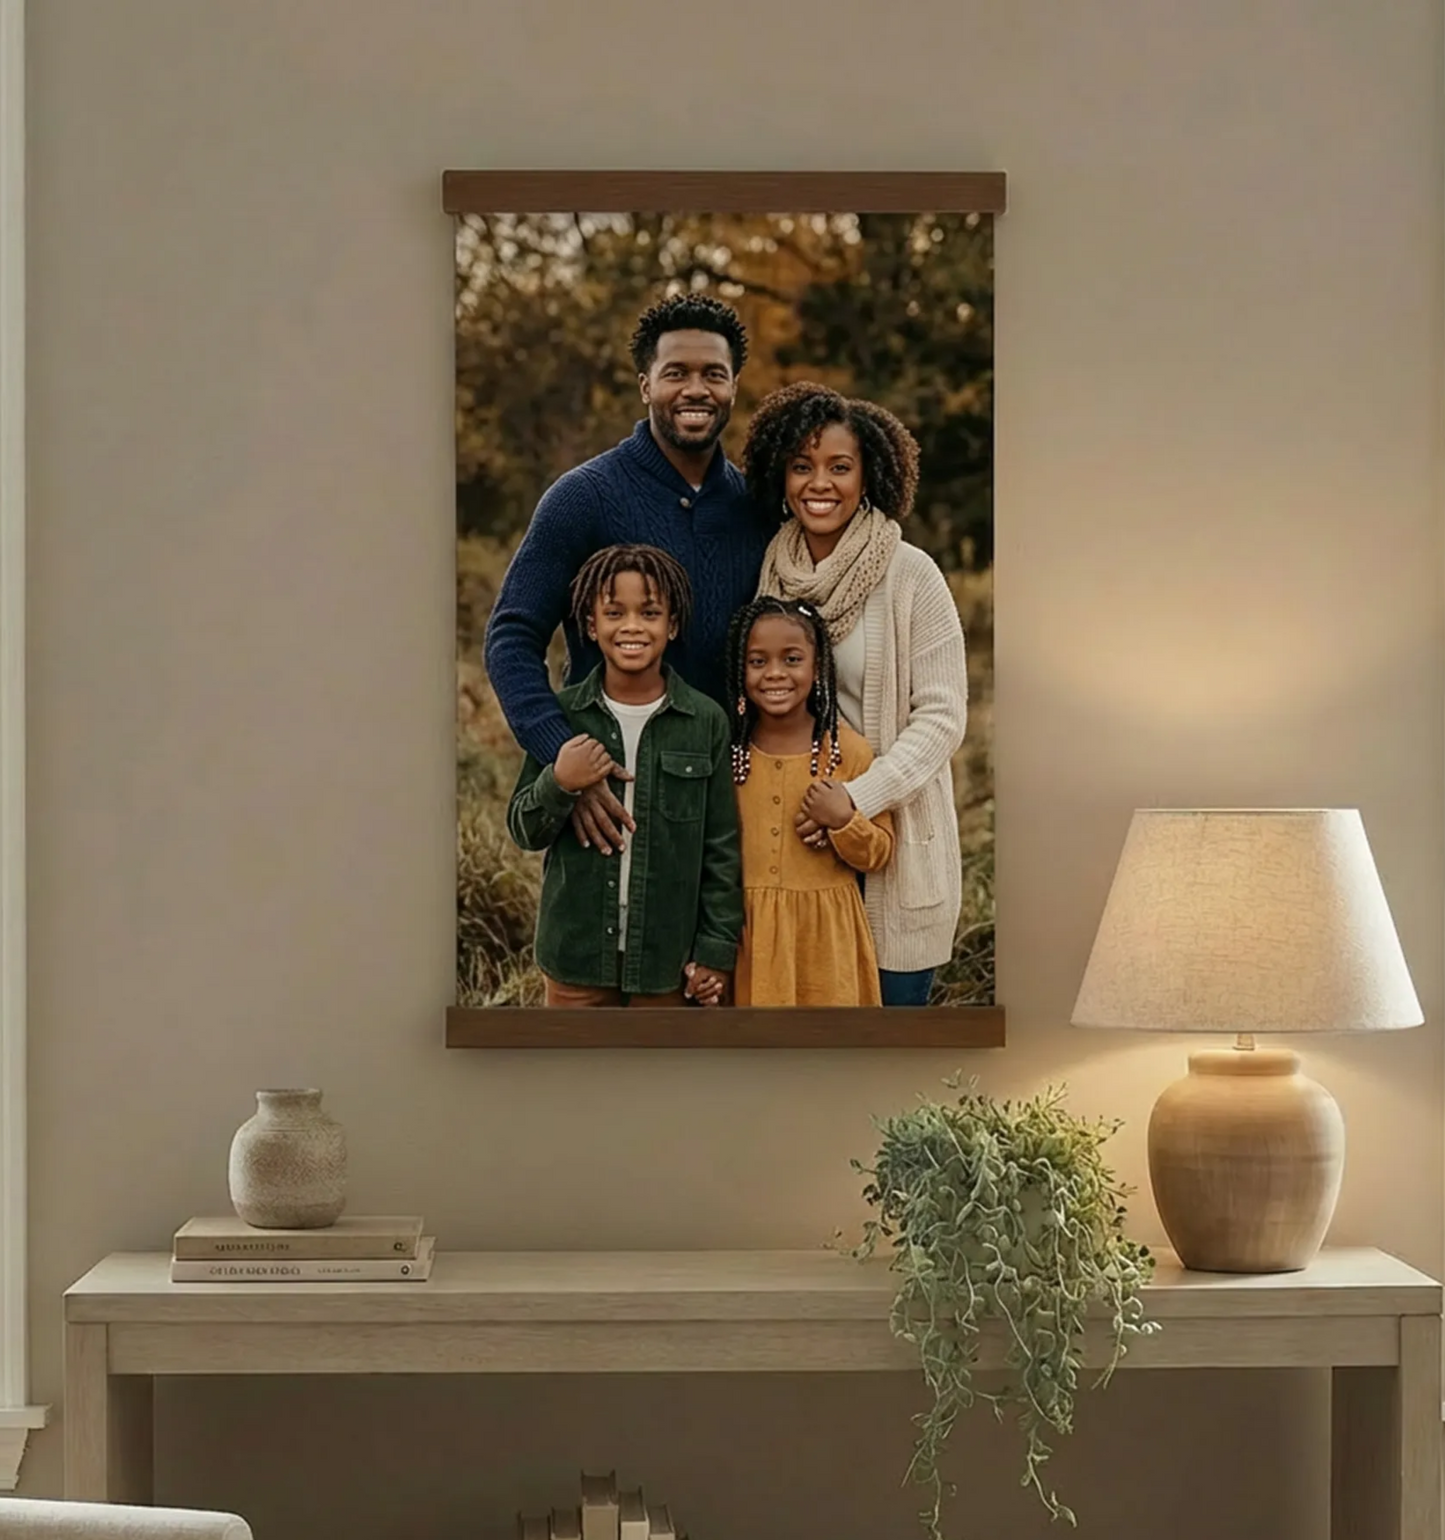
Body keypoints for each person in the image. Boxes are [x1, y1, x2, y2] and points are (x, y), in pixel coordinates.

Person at [485, 294, 775, 866]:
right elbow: (511, 636)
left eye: (713, 374)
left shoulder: (757, 510)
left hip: (722, 808)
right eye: (676, 373)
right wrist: (563, 754)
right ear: (646, 385)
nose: (696, 389)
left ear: (734, 386)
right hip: (609, 803)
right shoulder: (583, 498)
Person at [743, 382, 968, 1007]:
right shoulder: (772, 573)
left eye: (839, 467)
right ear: (781, 476)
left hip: (894, 852)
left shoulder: (911, 575)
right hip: (801, 852)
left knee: (887, 1049)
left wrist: (855, 799)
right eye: (802, 466)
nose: (820, 483)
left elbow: (943, 718)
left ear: (869, 476)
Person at [506, 545, 740, 1008]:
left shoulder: (706, 721)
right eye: (615, 613)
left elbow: (722, 850)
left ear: (672, 625)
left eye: (649, 613)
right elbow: (524, 829)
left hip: (667, 964)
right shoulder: (564, 715)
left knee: (658, 1061)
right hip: (575, 960)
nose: (632, 626)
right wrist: (560, 780)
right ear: (591, 625)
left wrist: (715, 952)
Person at [724, 596, 893, 1007]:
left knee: (827, 1044)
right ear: (740, 671)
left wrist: (843, 820)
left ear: (816, 669)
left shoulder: (848, 752)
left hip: (828, 941)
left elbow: (879, 852)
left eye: (792, 659)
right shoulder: (731, 753)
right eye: (758, 661)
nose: (775, 673)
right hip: (750, 939)